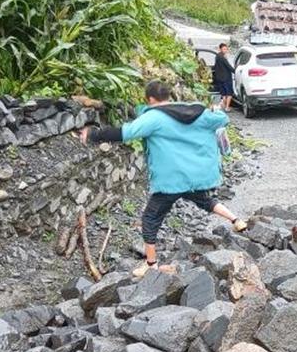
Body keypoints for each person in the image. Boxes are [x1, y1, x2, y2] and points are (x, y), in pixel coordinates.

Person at [80, 80, 245, 278]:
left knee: (150, 219)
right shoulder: (197, 111)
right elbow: (221, 119)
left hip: (171, 180)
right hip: (194, 176)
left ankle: (151, 264)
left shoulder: (154, 118)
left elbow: (126, 133)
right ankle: (236, 220)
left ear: (150, 99)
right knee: (205, 201)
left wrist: (94, 134)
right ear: (168, 96)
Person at [212, 43, 235, 111]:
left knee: (223, 94)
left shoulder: (217, 56)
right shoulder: (223, 57)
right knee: (229, 93)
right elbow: (228, 66)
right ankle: (227, 107)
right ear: (220, 49)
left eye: (226, 49)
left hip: (219, 78)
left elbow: (215, 66)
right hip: (226, 78)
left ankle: (224, 106)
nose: (225, 50)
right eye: (224, 49)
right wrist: (235, 71)